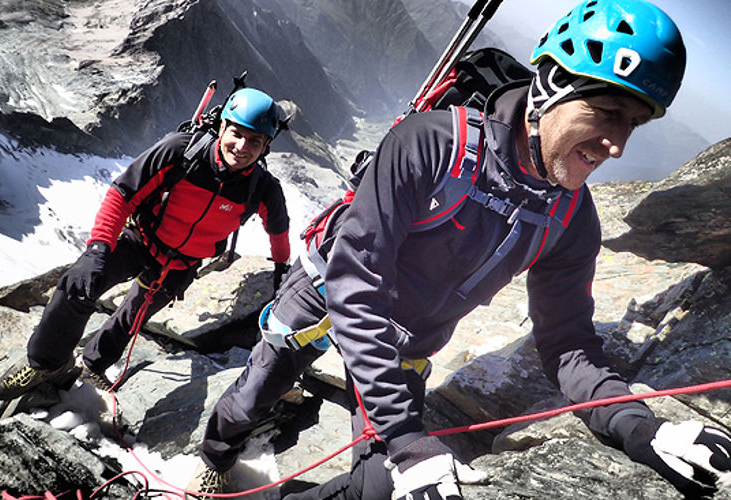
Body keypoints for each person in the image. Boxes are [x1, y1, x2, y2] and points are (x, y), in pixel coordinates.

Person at [185, 1, 731, 498]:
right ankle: (213, 463)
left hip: (405, 343)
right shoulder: (430, 143)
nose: (618, 145)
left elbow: (568, 343)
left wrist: (641, 426)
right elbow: (356, 280)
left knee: (378, 489)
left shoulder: (571, 217)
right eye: (609, 113)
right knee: (245, 404)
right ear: (554, 84)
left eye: (633, 124)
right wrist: (405, 436)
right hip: (330, 295)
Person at [0, 87, 292, 400]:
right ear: (222, 127)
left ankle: (94, 362)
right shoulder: (181, 152)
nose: (242, 147)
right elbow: (122, 194)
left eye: (254, 140)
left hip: (182, 264)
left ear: (266, 146)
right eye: (236, 133)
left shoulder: (262, 188)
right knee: (78, 283)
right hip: (142, 240)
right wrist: (98, 248)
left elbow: (279, 231)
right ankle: (45, 363)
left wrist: (282, 270)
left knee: (133, 314)